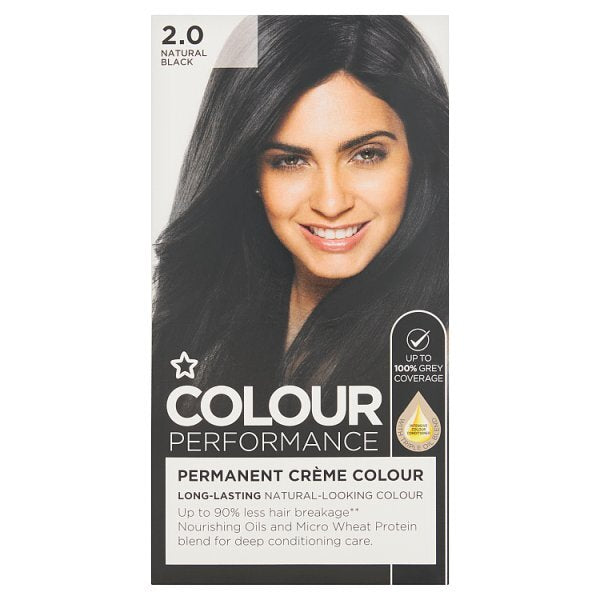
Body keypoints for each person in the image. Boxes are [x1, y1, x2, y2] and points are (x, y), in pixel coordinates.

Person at [153, 15, 448, 410]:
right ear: (248, 173)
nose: (331, 203)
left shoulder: (439, 352)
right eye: (290, 161)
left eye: (366, 155)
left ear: (419, 156)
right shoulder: (199, 339)